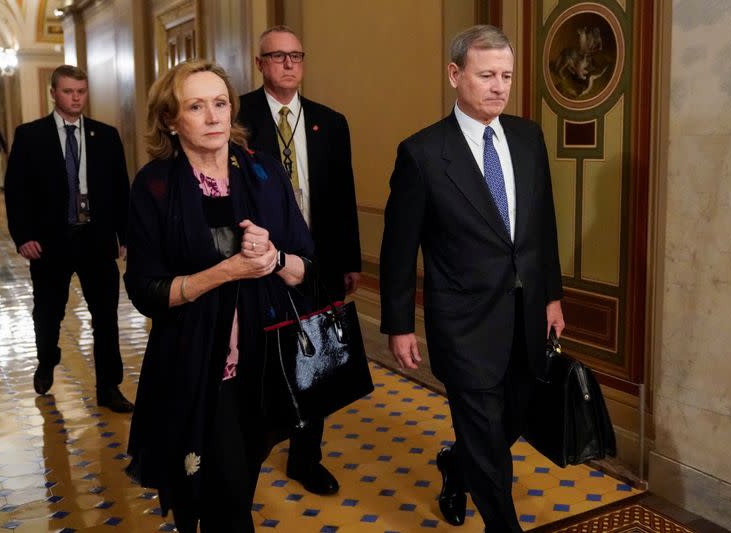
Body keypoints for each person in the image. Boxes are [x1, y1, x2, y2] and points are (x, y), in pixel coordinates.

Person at [379, 25, 565, 532]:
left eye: (505, 75)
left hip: (526, 314)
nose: (499, 86)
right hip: (462, 322)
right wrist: (399, 324)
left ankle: (455, 465)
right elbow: (399, 249)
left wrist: (552, 296)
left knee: (511, 420)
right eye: (486, 75)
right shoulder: (421, 153)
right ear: (455, 75)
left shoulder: (527, 137)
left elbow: (542, 223)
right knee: (485, 436)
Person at [124, 59, 314, 533]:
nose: (213, 118)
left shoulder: (264, 173)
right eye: (195, 106)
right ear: (171, 120)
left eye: (220, 103)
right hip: (197, 363)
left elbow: (307, 266)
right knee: (218, 500)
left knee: (235, 483)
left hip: (265, 359)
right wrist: (225, 272)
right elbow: (146, 291)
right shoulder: (155, 185)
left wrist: (272, 259)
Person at [237, 25, 361, 496]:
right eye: (278, 57)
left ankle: (307, 458)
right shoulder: (240, 117)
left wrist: (349, 259)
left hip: (320, 259)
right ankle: (249, 455)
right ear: (261, 64)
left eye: (296, 56)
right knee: (264, 359)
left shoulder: (330, 122)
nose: (289, 64)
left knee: (318, 361)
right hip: (261, 259)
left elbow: (342, 196)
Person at [4, 65, 133, 413]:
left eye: (81, 91)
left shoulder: (105, 135)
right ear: (53, 93)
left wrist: (124, 235)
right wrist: (23, 237)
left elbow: (121, 189)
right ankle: (47, 360)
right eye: (68, 92)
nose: (75, 98)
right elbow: (16, 191)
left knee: (105, 317)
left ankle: (109, 388)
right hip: (50, 243)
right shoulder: (31, 135)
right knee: (48, 315)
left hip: (96, 240)